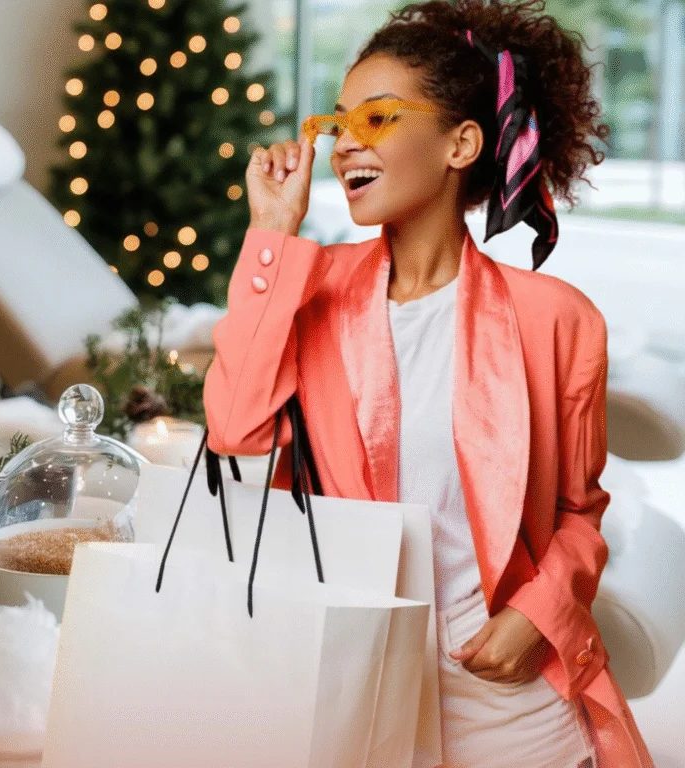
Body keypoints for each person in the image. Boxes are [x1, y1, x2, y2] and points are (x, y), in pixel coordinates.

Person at [202, 0, 655, 766]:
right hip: (354, 683)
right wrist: (271, 234)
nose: (345, 143)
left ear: (461, 143)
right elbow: (234, 428)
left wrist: (537, 616)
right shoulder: (306, 293)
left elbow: (578, 513)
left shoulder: (558, 319)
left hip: (507, 697)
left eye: (376, 119)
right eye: (336, 123)